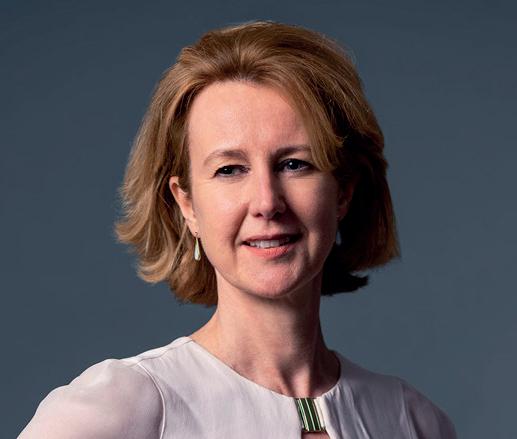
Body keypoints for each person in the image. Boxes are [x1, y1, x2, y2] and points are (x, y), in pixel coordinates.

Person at [19, 21, 456, 438]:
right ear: (187, 204)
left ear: (343, 191)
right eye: (229, 169)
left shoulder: (413, 422)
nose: (266, 202)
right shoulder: (128, 404)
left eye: (294, 164)